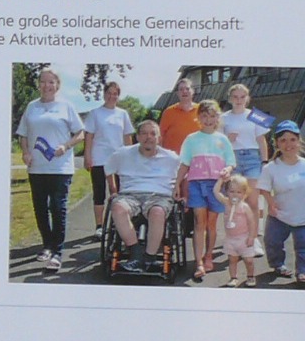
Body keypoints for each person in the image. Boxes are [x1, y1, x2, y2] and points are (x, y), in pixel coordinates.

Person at [15, 65, 86, 272]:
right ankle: (47, 245)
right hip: (36, 167)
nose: (47, 86)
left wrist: (66, 146)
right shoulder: (32, 107)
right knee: (40, 208)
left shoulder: (66, 106)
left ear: (57, 85)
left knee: (58, 208)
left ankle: (57, 252)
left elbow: (80, 133)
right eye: (43, 82)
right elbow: (23, 134)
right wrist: (25, 152)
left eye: (51, 82)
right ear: (39, 85)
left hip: (60, 168)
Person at [108, 120, 181, 275]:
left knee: (157, 213)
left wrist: (181, 192)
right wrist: (113, 190)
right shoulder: (123, 153)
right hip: (129, 194)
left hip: (159, 195)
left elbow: (183, 175)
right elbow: (108, 170)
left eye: (153, 133)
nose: (149, 137)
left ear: (159, 138)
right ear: (138, 137)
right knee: (117, 208)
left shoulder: (172, 158)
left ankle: (149, 257)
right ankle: (136, 254)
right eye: (144, 133)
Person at [180, 100, 238, 283]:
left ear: (217, 118)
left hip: (216, 185)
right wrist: (176, 186)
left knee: (211, 224)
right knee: (199, 223)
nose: (208, 119)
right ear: (198, 118)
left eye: (212, 116)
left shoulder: (222, 139)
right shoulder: (191, 139)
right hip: (196, 184)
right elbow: (184, 164)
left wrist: (228, 170)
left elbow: (231, 162)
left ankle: (208, 256)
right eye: (204, 116)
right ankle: (198, 263)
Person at [82, 82, 137, 227]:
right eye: (109, 93)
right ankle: (99, 225)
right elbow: (89, 136)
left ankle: (118, 224)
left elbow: (127, 136)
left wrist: (130, 157)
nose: (112, 96)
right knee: (99, 192)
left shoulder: (122, 114)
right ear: (104, 94)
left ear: (118, 96)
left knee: (120, 192)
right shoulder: (95, 113)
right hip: (99, 158)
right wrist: (87, 156)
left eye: (115, 94)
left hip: (119, 159)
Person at [260, 123, 305, 282]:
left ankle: (302, 271)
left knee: (303, 247)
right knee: (272, 242)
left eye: (293, 139)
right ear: (277, 143)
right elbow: (264, 189)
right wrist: (270, 204)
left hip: (302, 216)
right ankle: (278, 265)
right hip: (279, 215)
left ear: (299, 141)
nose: (288, 144)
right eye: (283, 140)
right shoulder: (271, 168)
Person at [224, 82, 276, 179]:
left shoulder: (255, 115)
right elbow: (218, 143)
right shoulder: (223, 118)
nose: (239, 100)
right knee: (234, 192)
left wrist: (264, 161)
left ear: (247, 98)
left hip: (253, 158)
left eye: (242, 97)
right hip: (232, 159)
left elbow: (261, 140)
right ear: (230, 99)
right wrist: (227, 140)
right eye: (235, 97)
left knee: (253, 192)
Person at [222, 173, 265, 286]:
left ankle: (250, 276)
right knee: (232, 260)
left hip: (244, 238)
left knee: (249, 261)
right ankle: (233, 277)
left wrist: (251, 237)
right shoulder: (226, 203)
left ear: (244, 194)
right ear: (227, 192)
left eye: (239, 192)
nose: (235, 195)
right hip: (231, 238)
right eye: (231, 191)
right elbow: (216, 193)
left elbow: (251, 222)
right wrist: (220, 180)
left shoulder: (244, 207)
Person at [157, 77, 203, 153]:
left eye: (187, 89)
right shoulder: (169, 112)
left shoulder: (201, 110)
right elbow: (159, 136)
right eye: (181, 89)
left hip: (196, 158)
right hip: (174, 159)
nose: (184, 91)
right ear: (177, 93)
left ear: (193, 91)